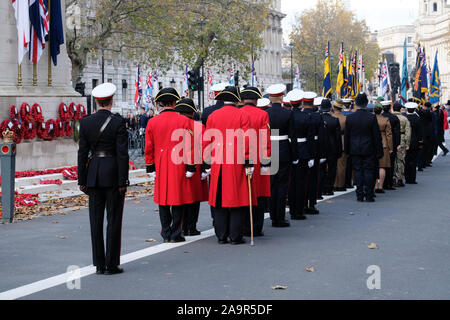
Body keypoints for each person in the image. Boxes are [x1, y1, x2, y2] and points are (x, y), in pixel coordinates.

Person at [78, 82, 129, 275]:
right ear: (111, 100)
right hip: (113, 173)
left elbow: (82, 153)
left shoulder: (85, 122)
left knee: (95, 220)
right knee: (114, 220)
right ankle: (111, 264)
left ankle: (99, 264)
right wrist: (123, 180)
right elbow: (122, 154)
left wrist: (81, 179)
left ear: (97, 101)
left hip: (93, 174)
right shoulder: (117, 122)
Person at [145, 88, 196, 244]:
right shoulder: (185, 121)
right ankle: (175, 233)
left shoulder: (152, 122)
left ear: (160, 103)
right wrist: (191, 166)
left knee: (163, 199)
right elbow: (190, 146)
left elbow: (148, 147)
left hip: (161, 163)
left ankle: (165, 231)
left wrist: (150, 167)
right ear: (175, 103)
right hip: (179, 162)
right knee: (178, 199)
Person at [204, 86, 254, 245]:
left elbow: (207, 140)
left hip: (217, 161)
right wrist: (248, 162)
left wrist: (207, 162)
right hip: (236, 161)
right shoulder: (243, 115)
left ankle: (221, 235)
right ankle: (235, 236)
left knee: (219, 200)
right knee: (237, 200)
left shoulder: (212, 115)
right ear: (237, 99)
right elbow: (247, 140)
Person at [174, 98, 209, 236]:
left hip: (178, 165)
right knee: (194, 199)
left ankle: (181, 227)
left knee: (180, 198)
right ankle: (191, 227)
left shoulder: (175, 125)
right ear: (192, 112)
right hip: (196, 164)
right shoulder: (200, 127)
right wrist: (206, 167)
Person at [240, 87, 271, 237]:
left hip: (239, 158)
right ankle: (256, 227)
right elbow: (265, 139)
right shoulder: (263, 114)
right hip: (258, 158)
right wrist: (266, 160)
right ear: (257, 100)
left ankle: (242, 225)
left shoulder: (237, 113)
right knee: (258, 194)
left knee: (242, 192)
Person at [344, 93, 383, 202]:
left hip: (354, 148)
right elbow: (376, 136)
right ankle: (369, 194)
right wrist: (379, 151)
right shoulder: (371, 117)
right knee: (368, 171)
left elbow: (347, 136)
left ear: (356, 103)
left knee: (357, 171)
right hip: (369, 149)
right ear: (366, 104)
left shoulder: (350, 118)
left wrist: (347, 150)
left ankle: (359, 194)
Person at [265, 84, 292, 228]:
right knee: (281, 185)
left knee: (270, 184)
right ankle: (279, 217)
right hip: (282, 150)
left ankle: (271, 214)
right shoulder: (288, 113)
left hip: (268, 149)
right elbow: (292, 135)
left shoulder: (265, 113)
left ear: (270, 97)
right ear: (281, 97)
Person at [287, 89, 311, 220]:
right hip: (303, 151)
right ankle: (299, 210)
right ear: (301, 103)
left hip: (290, 150)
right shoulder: (306, 117)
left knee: (291, 183)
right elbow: (310, 137)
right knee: (301, 183)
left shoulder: (287, 115)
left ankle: (292, 209)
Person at [320, 98, 342, 196]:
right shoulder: (334, 120)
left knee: (321, 169)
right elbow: (338, 137)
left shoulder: (318, 119)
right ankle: (329, 188)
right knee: (332, 169)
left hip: (321, 148)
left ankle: (322, 188)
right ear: (330, 108)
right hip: (332, 148)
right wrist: (339, 150)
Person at [374, 103, 393, 194]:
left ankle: (374, 186)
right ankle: (380, 186)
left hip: (372, 144)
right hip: (383, 143)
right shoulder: (385, 120)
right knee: (382, 166)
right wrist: (390, 147)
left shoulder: (371, 119)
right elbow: (389, 135)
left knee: (373, 166)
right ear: (381, 110)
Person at [392, 102, 411, 187]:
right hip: (402, 138)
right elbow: (408, 132)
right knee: (401, 159)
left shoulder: (390, 117)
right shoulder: (404, 119)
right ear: (400, 109)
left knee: (392, 159)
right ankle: (399, 178)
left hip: (392, 139)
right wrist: (407, 143)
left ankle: (392, 177)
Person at [404, 102, 423, 184]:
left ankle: (407, 178)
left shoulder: (405, 117)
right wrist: (420, 142)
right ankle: (412, 178)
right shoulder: (417, 118)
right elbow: (420, 132)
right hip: (415, 141)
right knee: (414, 161)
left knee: (406, 160)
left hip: (405, 141)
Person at [332, 99, 347, 192]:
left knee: (332, 165)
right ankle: (341, 184)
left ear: (333, 107)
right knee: (342, 165)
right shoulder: (345, 118)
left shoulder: (331, 117)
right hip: (342, 141)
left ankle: (333, 183)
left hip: (332, 141)